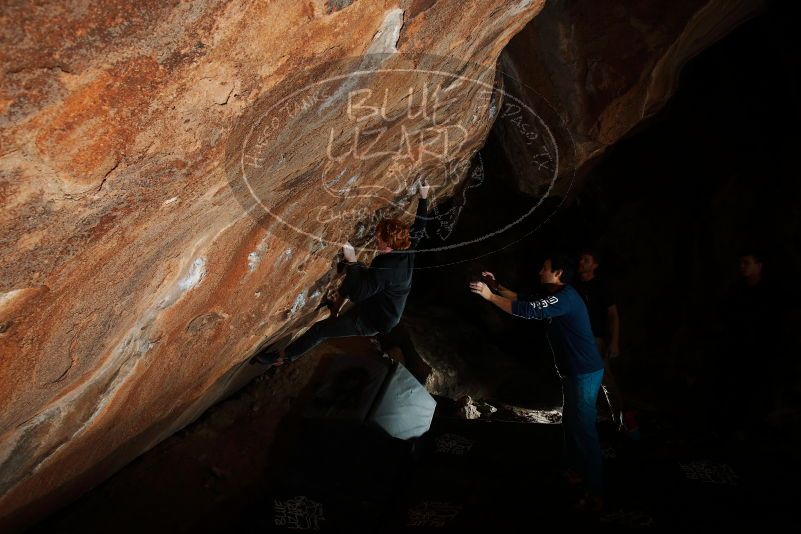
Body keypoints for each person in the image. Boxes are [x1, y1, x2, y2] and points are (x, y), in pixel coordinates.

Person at [469, 254, 605, 513]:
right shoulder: (556, 294)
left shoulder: (564, 298)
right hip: (574, 372)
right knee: (572, 422)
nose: (540, 270)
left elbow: (529, 310)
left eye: (545, 268)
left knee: (584, 430)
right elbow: (524, 299)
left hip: (584, 373)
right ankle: (574, 472)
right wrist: (496, 287)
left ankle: (596, 492)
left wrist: (489, 297)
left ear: (559, 274)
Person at [251, 180, 431, 367]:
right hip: (381, 303)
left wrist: (352, 260)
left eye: (379, 237)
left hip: (373, 320)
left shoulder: (387, 271)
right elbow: (420, 227)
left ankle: (283, 358)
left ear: (388, 244)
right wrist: (424, 197)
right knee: (357, 269)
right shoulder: (406, 247)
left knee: (321, 330)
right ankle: (335, 308)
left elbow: (358, 293)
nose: (375, 237)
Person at [574, 249, 639, 438]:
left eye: (586, 260)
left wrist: (614, 342)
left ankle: (625, 421)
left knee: (604, 380)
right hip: (578, 341)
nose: (581, 262)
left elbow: (613, 315)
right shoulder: (575, 286)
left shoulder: (601, 286)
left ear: (595, 265)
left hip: (595, 340)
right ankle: (594, 423)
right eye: (581, 259)